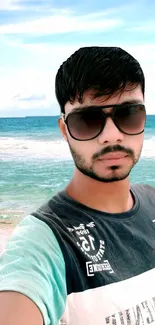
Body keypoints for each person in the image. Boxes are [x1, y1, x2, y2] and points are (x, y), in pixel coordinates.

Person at [0, 46, 155, 325]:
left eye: (128, 114)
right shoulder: (45, 241)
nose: (111, 135)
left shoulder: (153, 200)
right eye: (87, 120)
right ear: (64, 131)